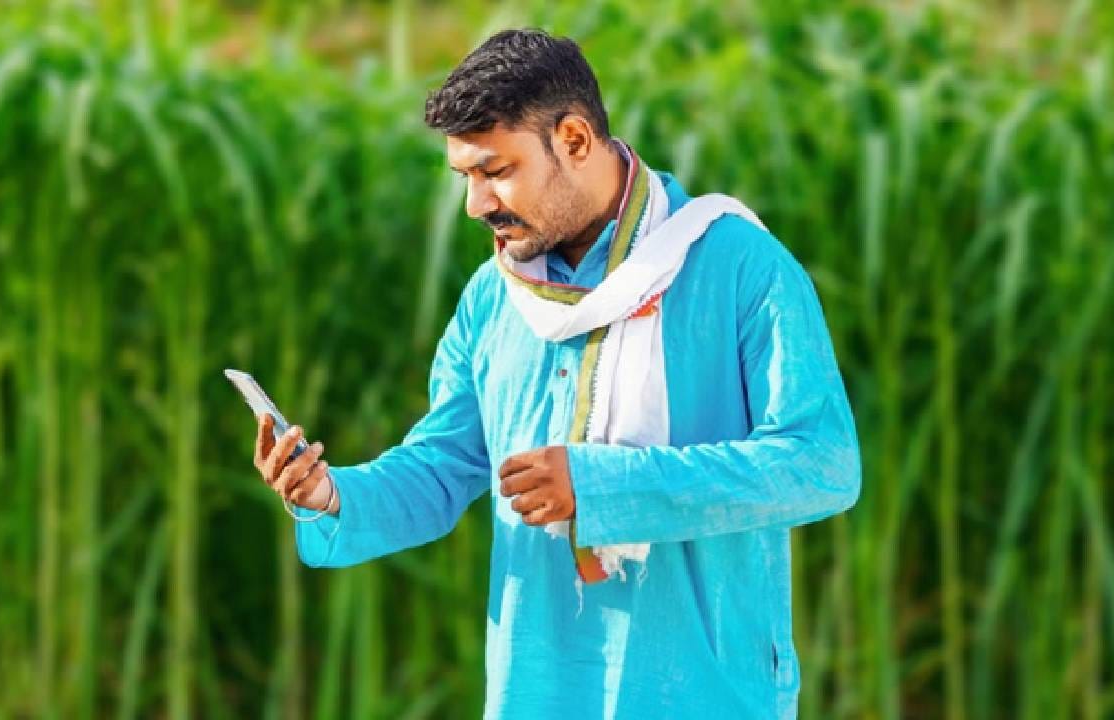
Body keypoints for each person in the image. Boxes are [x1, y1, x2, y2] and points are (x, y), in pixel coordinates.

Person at [252, 27, 860, 720]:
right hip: (535, 690)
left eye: (495, 171)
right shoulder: (495, 296)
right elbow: (443, 466)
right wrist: (331, 494)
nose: (476, 204)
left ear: (573, 139)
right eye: (465, 177)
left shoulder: (740, 267)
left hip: (700, 692)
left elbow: (822, 464)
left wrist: (601, 485)